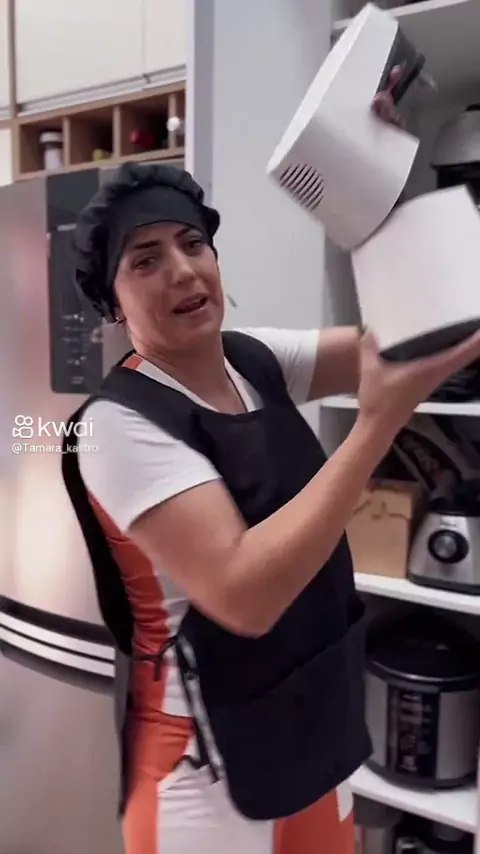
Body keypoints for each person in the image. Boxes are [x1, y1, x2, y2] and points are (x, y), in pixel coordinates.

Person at [61, 76, 480, 854]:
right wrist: (377, 424)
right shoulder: (117, 427)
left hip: (314, 724)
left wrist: (377, 190)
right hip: (205, 770)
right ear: (112, 303)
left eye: (193, 244)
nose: (183, 271)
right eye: (145, 260)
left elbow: (414, 331)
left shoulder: (252, 359)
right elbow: (245, 594)